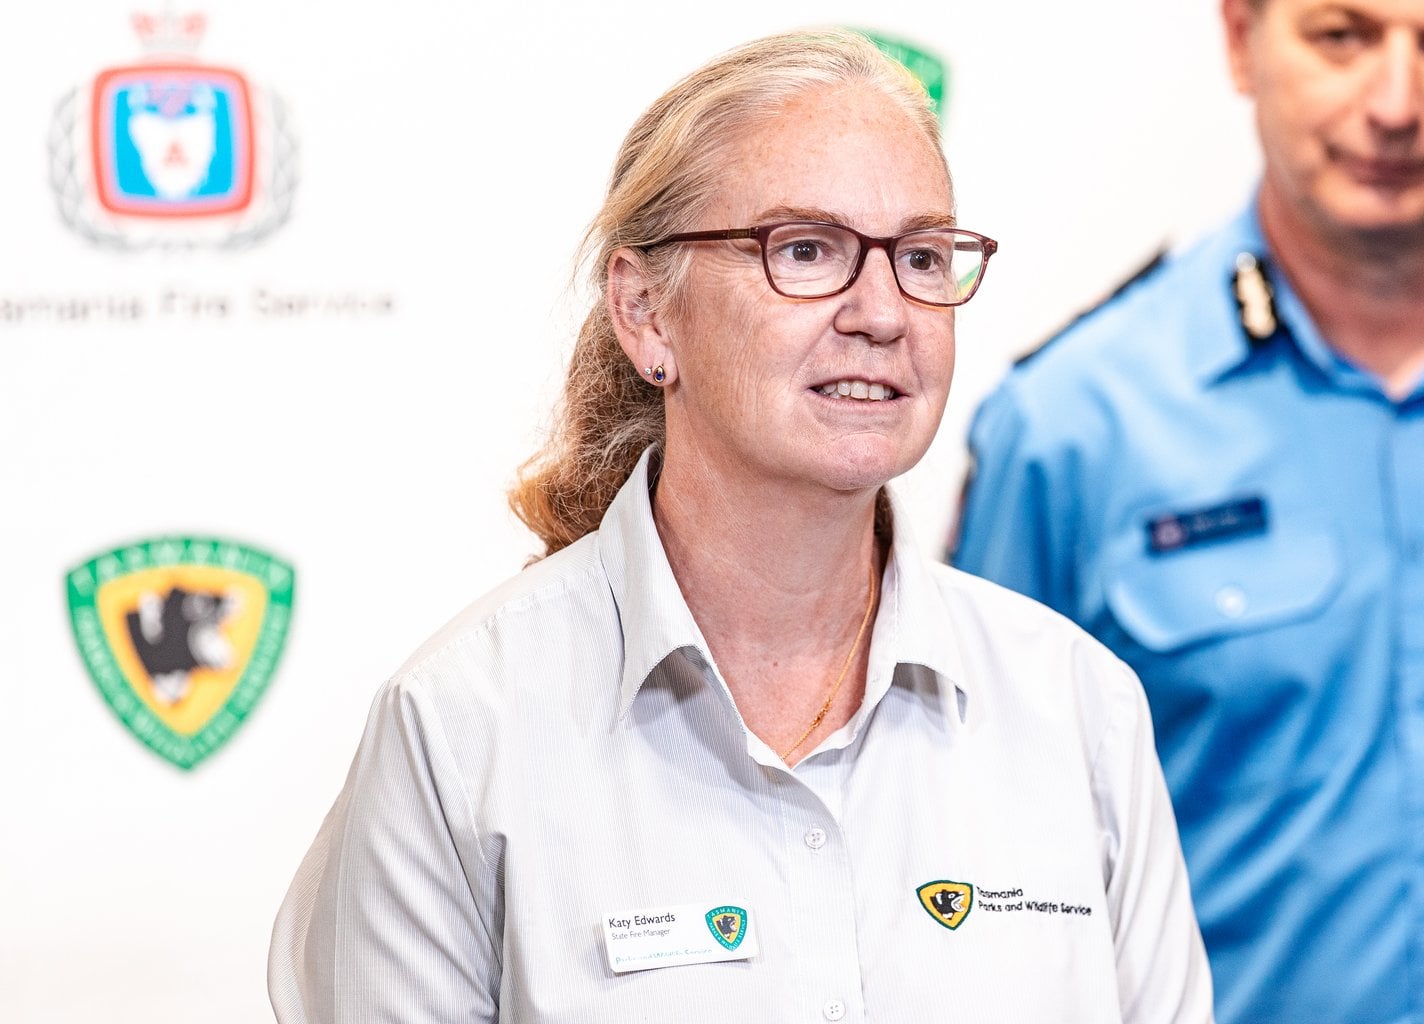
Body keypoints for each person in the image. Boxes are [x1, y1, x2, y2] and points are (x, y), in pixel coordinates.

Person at [268, 28, 1212, 1024]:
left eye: (922, 257)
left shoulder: (1079, 708)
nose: (883, 313)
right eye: (805, 250)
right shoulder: (461, 727)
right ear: (647, 312)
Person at [951, 1, 1424, 1022]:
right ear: (1239, 40)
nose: (1396, 105)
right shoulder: (1074, 428)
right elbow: (977, 884)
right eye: (1342, 36)